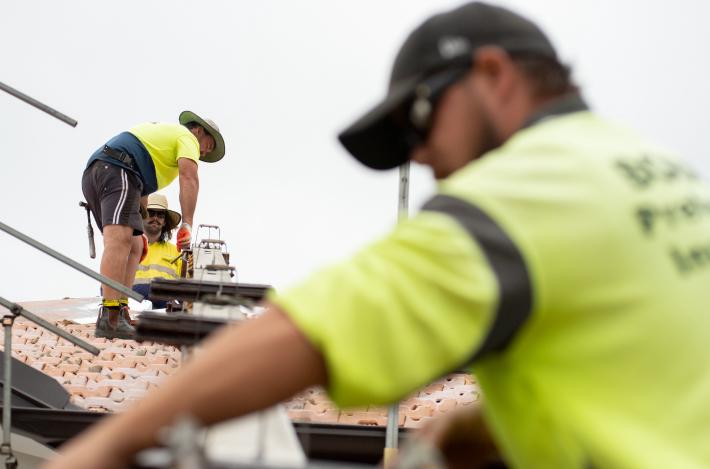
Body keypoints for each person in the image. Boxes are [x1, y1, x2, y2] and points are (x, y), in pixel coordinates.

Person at [50, 2, 710, 468]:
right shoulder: (654, 173)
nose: (421, 156)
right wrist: (486, 424)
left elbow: (308, 334)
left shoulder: (526, 192)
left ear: (493, 75)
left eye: (419, 122)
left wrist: (102, 448)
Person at [81, 111, 225, 339]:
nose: (205, 152)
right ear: (198, 131)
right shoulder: (187, 138)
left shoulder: (161, 146)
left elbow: (141, 193)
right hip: (116, 169)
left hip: (108, 172)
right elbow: (189, 178)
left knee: (135, 245)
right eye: (209, 145)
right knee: (119, 241)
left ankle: (120, 311)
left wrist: (139, 228)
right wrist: (187, 224)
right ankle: (110, 316)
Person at [132, 193, 183, 309]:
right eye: (151, 213)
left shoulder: (175, 251)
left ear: (164, 221)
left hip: (166, 309)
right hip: (133, 306)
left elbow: (188, 286)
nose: (155, 218)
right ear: (142, 216)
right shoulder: (129, 247)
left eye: (160, 215)